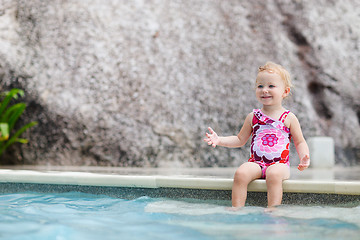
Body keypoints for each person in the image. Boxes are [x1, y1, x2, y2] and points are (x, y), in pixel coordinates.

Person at [204, 61, 310, 208]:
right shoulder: (253, 116)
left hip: (280, 165)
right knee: (241, 173)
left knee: (273, 175)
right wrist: (219, 139)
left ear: (285, 92)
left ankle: (273, 210)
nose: (264, 90)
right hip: (257, 163)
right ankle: (236, 208)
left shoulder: (288, 117)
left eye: (271, 86)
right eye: (260, 86)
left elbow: (299, 142)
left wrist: (304, 156)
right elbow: (240, 139)